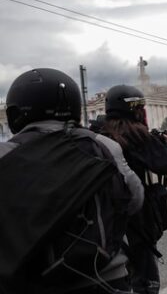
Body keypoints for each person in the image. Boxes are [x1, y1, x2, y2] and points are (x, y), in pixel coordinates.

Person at [0, 69, 143, 294]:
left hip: (29, 282)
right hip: (104, 277)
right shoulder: (102, 144)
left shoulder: (4, 154)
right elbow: (134, 200)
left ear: (15, 113)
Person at [101, 85, 167, 294]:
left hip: (103, 221)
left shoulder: (98, 135)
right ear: (136, 109)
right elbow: (164, 164)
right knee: (146, 280)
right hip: (136, 218)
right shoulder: (137, 135)